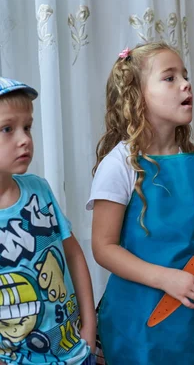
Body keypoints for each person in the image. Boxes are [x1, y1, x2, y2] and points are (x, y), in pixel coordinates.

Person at [89, 42, 194, 364]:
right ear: (137, 95)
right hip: (137, 319)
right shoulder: (119, 164)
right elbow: (103, 247)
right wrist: (166, 278)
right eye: (170, 77)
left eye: (185, 75)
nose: (185, 83)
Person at [0, 77, 96, 364]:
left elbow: (73, 254)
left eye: (27, 127)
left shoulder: (39, 189)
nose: (24, 139)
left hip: (74, 351)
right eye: (7, 129)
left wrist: (89, 325)